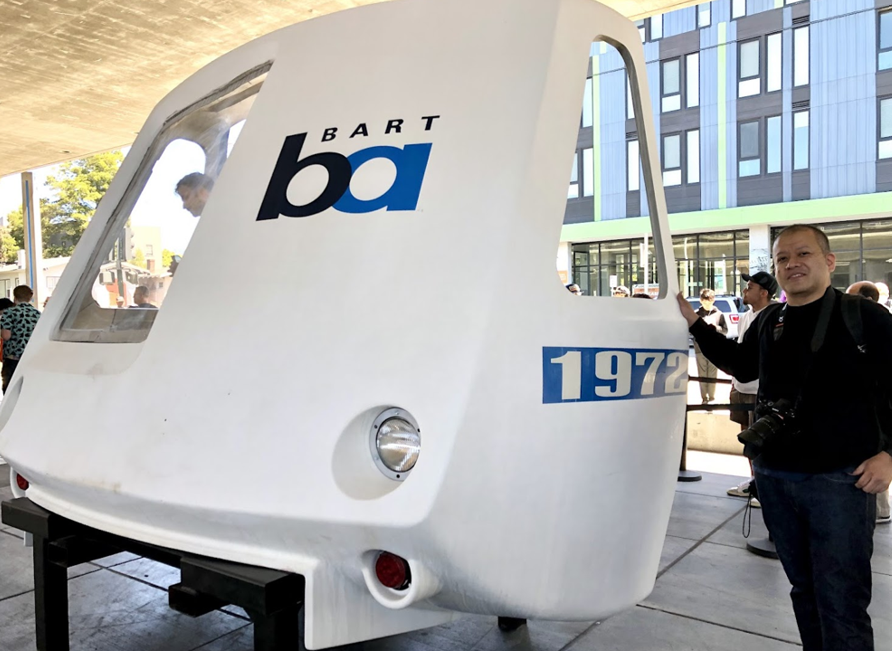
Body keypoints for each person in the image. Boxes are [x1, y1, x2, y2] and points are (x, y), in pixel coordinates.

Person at [678, 224, 892, 651]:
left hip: (840, 481)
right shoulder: (770, 319)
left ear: (828, 261)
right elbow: (742, 367)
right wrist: (694, 322)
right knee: (803, 589)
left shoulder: (864, 316)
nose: (792, 264)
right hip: (776, 477)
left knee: (842, 598)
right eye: (782, 258)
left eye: (803, 254)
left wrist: (889, 453)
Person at [726, 272, 778, 505]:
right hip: (741, 386)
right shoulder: (746, 317)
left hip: (761, 390)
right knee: (747, 436)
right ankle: (754, 481)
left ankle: (765, 486)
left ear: (764, 292)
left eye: (750, 287)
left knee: (763, 440)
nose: (745, 291)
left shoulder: (775, 315)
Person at [846, 281, 891, 525]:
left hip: (877, 415)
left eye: (851, 298)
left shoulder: (878, 323)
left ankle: (881, 509)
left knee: (875, 464)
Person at [0, 286, 41, 394]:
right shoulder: (37, 314)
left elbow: (6, 336)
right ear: (30, 297)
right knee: (27, 390)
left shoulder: (9, 313)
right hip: (30, 358)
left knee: (10, 390)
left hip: (12, 358)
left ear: (15, 297)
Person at [693, 288, 728, 404]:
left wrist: (715, 327)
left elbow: (725, 330)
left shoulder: (719, 314)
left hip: (715, 348)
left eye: (709, 301)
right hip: (700, 348)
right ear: (700, 301)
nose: (707, 304)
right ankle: (704, 397)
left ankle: (712, 397)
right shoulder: (696, 314)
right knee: (702, 373)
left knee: (712, 373)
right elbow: (690, 330)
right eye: (704, 302)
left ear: (713, 301)